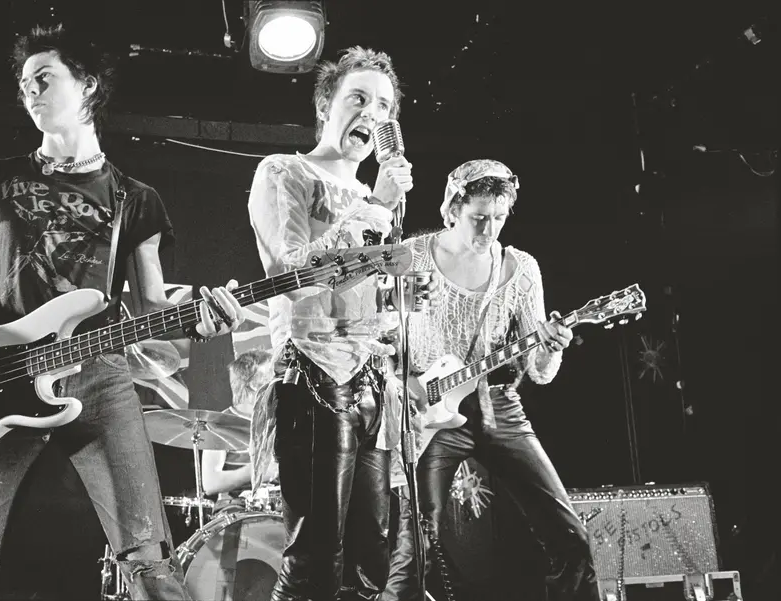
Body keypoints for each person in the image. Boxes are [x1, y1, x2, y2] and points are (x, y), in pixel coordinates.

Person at [0, 25, 244, 600]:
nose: (29, 91)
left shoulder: (136, 198)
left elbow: (155, 308)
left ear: (88, 87)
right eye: (23, 83)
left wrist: (207, 332)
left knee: (148, 560)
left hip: (101, 376)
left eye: (43, 78)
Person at [381, 160, 600, 601]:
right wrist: (399, 385)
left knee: (571, 538)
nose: (489, 230)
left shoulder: (520, 269)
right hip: (428, 412)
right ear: (452, 209)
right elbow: (379, 337)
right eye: (479, 218)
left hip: (498, 404)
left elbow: (538, 372)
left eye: (499, 218)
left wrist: (550, 346)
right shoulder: (412, 256)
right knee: (415, 549)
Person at [247, 46, 414, 601]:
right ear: (326, 104)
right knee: (316, 558)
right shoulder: (284, 172)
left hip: (371, 381)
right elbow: (291, 273)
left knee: (372, 555)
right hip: (312, 374)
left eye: (384, 106)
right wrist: (375, 209)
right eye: (358, 98)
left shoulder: (379, 199)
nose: (372, 112)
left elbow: (373, 292)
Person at [201, 348, 278, 510]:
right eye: (272, 376)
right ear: (253, 385)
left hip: (277, 506)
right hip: (237, 508)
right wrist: (256, 472)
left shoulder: (278, 419)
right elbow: (210, 483)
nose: (277, 381)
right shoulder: (220, 424)